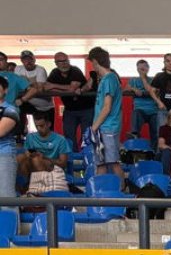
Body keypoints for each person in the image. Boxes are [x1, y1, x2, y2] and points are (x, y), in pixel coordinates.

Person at [43, 53, 93, 149]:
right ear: (56, 63)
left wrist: (54, 85)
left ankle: (86, 159)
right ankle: (73, 159)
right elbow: (46, 88)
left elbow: (72, 89)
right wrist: (64, 89)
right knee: (69, 136)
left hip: (86, 108)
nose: (64, 64)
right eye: (60, 62)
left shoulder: (75, 70)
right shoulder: (54, 73)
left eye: (66, 61)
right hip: (70, 110)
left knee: (86, 137)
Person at [88, 46, 124, 178]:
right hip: (104, 128)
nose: (92, 66)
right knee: (101, 164)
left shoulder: (109, 79)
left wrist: (93, 128)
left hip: (107, 128)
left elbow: (107, 107)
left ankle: (122, 192)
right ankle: (99, 193)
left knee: (113, 163)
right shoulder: (108, 79)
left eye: (92, 62)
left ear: (96, 61)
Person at [0, 77, 18, 205]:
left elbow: (0, 132)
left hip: (3, 155)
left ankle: (11, 225)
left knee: (6, 198)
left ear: (5, 90)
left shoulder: (10, 110)